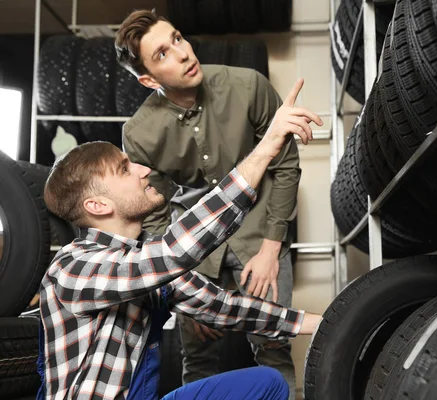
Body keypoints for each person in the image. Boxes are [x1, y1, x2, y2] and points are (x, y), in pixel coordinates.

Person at [37, 80, 324, 400]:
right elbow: (175, 251)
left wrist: (329, 322)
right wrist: (266, 148)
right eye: (124, 169)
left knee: (266, 383)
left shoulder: (145, 261)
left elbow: (226, 308)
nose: (143, 170)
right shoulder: (73, 267)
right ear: (99, 206)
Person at [115, 10, 304, 396]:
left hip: (260, 236)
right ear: (148, 79)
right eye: (163, 53)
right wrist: (181, 286)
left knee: (272, 348)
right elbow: (153, 212)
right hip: (197, 255)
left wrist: (272, 249)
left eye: (179, 38)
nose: (183, 53)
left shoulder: (248, 85)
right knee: (199, 359)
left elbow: (286, 167)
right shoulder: (139, 133)